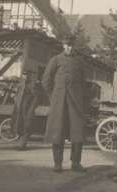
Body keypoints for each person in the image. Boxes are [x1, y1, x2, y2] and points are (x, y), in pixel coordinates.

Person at [42, 36, 87, 173]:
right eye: (67, 45)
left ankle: (76, 163)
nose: (69, 47)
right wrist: (54, 96)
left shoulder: (79, 62)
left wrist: (81, 97)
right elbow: (46, 80)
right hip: (59, 102)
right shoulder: (55, 60)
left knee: (77, 131)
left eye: (72, 45)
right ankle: (58, 163)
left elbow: (84, 83)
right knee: (58, 132)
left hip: (75, 102)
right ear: (63, 45)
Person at [11, 69, 44, 150]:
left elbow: (36, 97)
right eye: (24, 75)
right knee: (19, 124)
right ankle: (21, 143)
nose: (25, 76)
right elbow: (18, 96)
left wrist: (32, 108)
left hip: (28, 108)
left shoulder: (33, 85)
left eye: (27, 75)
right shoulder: (21, 84)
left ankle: (22, 144)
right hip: (20, 108)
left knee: (27, 125)